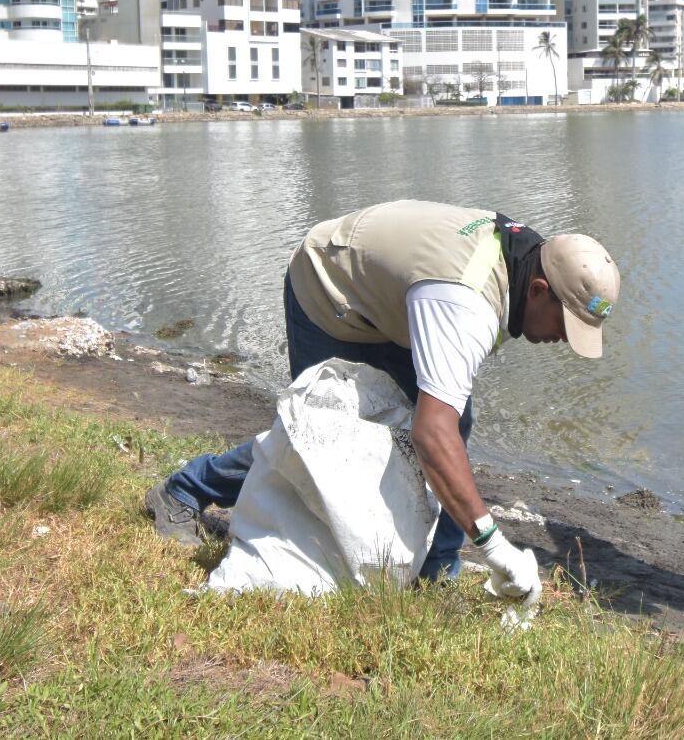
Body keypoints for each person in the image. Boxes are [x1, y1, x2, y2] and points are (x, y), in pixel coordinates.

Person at [144, 200, 621, 597]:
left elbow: (443, 429)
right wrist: (495, 546)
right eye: (565, 324)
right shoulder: (466, 303)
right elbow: (432, 435)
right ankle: (185, 489)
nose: (563, 339)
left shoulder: (529, 257)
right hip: (331, 289)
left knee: (455, 424)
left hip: (394, 304)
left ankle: (436, 576)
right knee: (321, 439)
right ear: (538, 291)